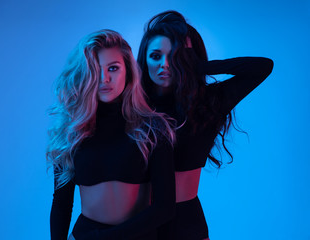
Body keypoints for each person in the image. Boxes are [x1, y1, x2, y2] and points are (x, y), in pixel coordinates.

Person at [137, 11, 274, 240]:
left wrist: (199, 67)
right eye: (156, 56)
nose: (165, 65)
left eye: (175, 56)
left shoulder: (208, 103)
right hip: (136, 220)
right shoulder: (133, 107)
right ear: (144, 60)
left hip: (185, 222)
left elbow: (262, 67)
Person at [47, 29, 176, 240]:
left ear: (128, 71)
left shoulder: (153, 129)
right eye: (95, 70)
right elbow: (62, 204)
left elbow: (165, 208)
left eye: (113, 68)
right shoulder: (71, 133)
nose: (104, 79)